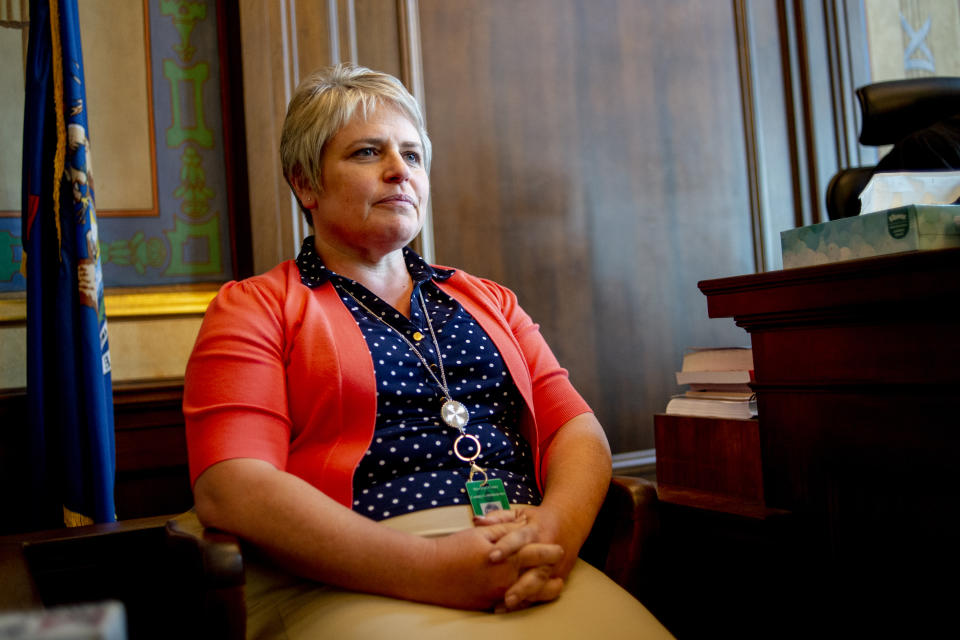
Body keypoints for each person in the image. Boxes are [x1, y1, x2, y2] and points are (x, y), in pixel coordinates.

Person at [183, 63, 670, 638]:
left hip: (525, 554)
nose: (399, 172)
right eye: (368, 153)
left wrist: (556, 537)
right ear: (305, 183)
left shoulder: (490, 300)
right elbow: (232, 487)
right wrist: (436, 569)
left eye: (412, 156)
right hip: (349, 576)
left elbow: (577, 431)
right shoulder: (255, 307)